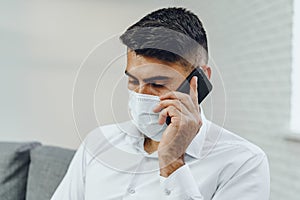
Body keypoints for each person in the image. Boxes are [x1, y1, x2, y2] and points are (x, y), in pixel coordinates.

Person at [51, 7, 270, 200]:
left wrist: (173, 163)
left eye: (157, 83)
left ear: (200, 81)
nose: (140, 94)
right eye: (132, 80)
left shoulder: (243, 162)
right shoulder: (98, 142)